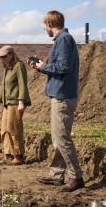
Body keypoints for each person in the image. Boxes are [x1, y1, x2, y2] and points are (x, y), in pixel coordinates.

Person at [30, 10, 83, 192]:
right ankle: (56, 174)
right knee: (58, 138)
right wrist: (43, 65)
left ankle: (76, 177)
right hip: (62, 95)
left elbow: (63, 67)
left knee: (62, 139)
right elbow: (61, 65)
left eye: (45, 25)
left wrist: (42, 66)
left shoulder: (63, 39)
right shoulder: (64, 40)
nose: (45, 28)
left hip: (62, 96)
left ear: (50, 24)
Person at [0, 45, 31, 165]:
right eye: (0, 57)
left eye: (4, 56)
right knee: (4, 129)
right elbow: (3, 87)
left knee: (14, 129)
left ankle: (18, 156)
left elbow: (22, 84)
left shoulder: (18, 66)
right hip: (6, 104)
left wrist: (21, 101)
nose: (2, 59)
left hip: (15, 103)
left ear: (11, 55)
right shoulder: (7, 69)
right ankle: (8, 155)